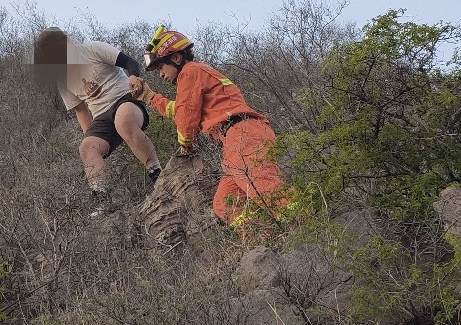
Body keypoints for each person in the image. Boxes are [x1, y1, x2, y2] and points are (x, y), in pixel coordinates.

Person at [137, 25, 288, 226]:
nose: (160, 75)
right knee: (225, 203)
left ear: (175, 58)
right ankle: (263, 242)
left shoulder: (190, 72)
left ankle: (308, 230)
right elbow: (181, 109)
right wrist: (149, 97)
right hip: (237, 139)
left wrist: (185, 145)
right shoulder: (194, 76)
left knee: (265, 187)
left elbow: (186, 118)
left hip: (243, 135)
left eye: (160, 68)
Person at [33, 27, 163, 217]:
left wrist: (133, 77)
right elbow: (80, 110)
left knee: (123, 121)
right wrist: (92, 138)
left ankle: (158, 174)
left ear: (67, 41)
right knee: (86, 147)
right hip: (101, 116)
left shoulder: (93, 49)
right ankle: (102, 198)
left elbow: (130, 62)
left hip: (125, 99)